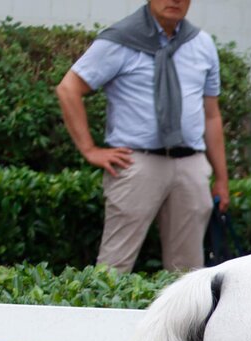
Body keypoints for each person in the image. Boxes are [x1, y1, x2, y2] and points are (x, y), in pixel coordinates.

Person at [56, 1, 229, 275]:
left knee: (188, 273)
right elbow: (68, 89)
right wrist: (90, 149)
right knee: (114, 267)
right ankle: (103, 317)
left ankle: (185, 321)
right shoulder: (119, 40)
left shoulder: (202, 44)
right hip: (137, 164)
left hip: (191, 166)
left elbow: (212, 115)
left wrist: (221, 178)